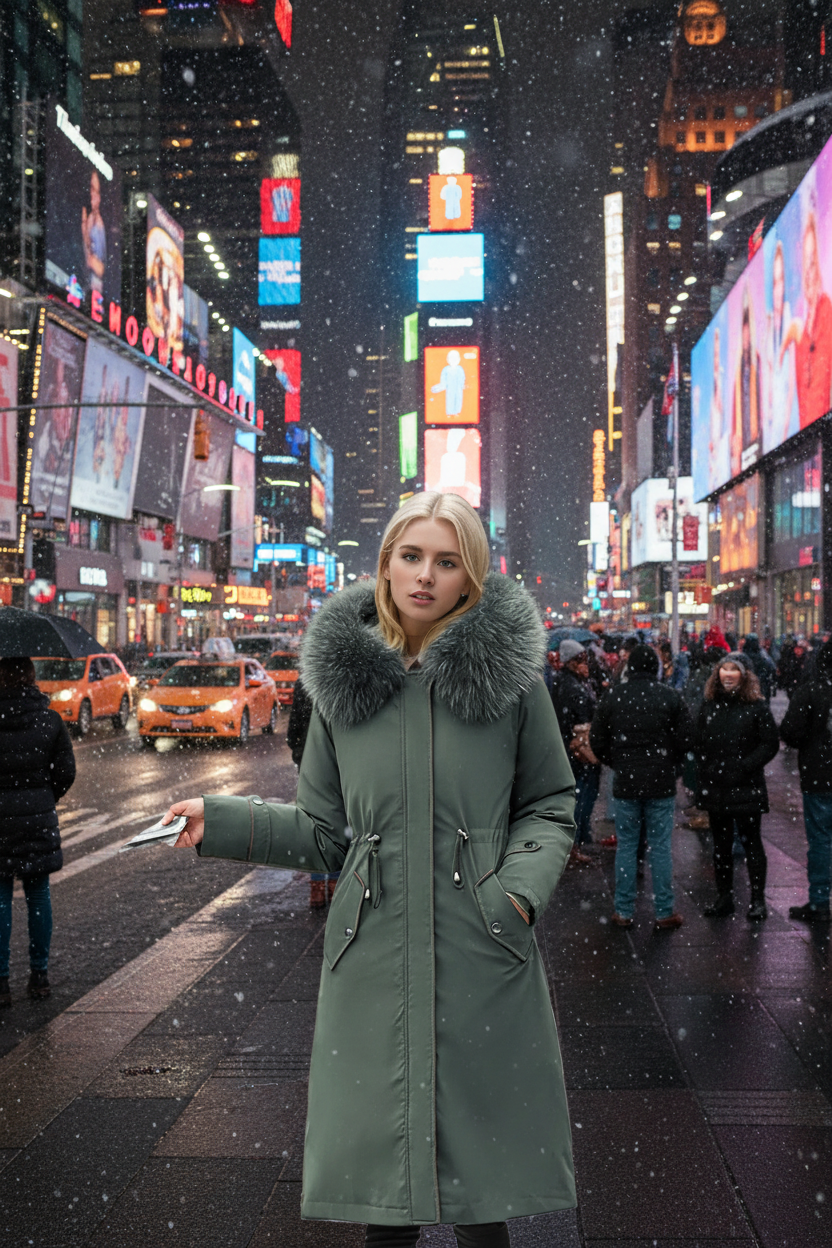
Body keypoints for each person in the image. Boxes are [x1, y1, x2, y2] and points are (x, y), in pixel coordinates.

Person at [164, 492, 577, 1247]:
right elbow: (324, 834)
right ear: (384, 564)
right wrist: (219, 819)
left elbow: (550, 804)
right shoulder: (342, 688)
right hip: (373, 949)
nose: (425, 576)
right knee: (384, 1208)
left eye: (447, 562)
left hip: (482, 945)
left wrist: (515, 894)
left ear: (471, 577)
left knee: (486, 1204)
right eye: (411, 556)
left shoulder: (514, 685)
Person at [589, 644, 692, 930]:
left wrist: (618, 760)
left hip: (626, 782)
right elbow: (686, 738)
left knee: (627, 845)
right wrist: (672, 764)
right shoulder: (669, 697)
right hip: (660, 781)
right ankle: (664, 910)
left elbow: (598, 740)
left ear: (630, 667)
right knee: (660, 847)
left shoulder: (614, 697)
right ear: (655, 668)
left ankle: (623, 910)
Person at [0, 657, 76, 1007]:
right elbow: (66, 772)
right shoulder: (49, 720)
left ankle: (1, 982)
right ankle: (39, 976)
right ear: (31, 678)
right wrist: (45, 797)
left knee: (0, 901)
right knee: (38, 897)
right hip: (37, 819)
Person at [694, 653, 779, 921]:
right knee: (720, 845)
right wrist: (707, 765)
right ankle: (724, 897)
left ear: (745, 675)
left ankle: (757, 900)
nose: (728, 674)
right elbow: (698, 740)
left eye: (734, 669)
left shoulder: (756, 707)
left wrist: (744, 766)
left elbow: (770, 743)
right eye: (724, 669)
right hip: (718, 786)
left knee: (751, 842)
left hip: (745, 786)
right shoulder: (709, 706)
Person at [779, 639, 832, 923]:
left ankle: (820, 900)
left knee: (821, 839)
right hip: (819, 772)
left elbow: (790, 731)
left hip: (820, 773)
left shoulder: (812, 690)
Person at [287, 678, 338, 911]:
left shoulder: (306, 681)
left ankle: (317, 887)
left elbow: (293, 728)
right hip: (340, 763)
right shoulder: (347, 678)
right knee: (341, 824)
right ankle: (336, 885)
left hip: (310, 763)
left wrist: (301, 754)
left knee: (316, 825)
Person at [551, 639, 600, 862]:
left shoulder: (573, 682)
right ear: (571, 662)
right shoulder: (570, 686)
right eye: (580, 660)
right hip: (576, 748)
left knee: (580, 795)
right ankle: (574, 844)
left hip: (572, 747)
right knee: (579, 797)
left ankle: (577, 840)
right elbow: (581, 714)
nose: (585, 664)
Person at [740, 634, 775, 706]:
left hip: (746, 687)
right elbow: (772, 669)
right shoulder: (763, 655)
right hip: (762, 686)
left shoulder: (742, 656)